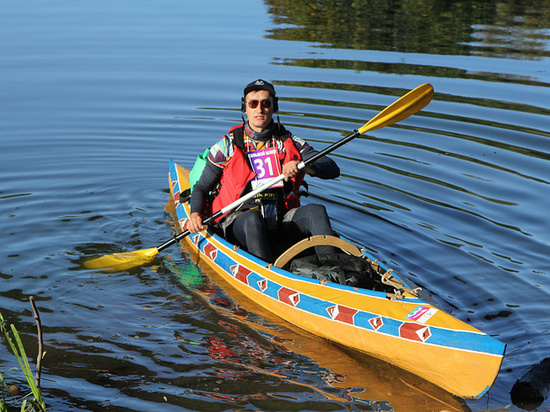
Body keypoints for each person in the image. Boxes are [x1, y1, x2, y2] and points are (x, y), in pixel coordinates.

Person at [188, 79, 340, 263]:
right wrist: (195, 214)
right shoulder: (226, 146)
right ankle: (268, 274)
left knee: (317, 210)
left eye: (266, 103)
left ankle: (333, 269)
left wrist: (304, 166)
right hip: (239, 219)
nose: (259, 109)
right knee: (253, 219)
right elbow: (201, 187)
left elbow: (331, 168)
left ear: (274, 107)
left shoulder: (288, 142)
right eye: (253, 103)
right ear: (245, 108)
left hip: (280, 217)